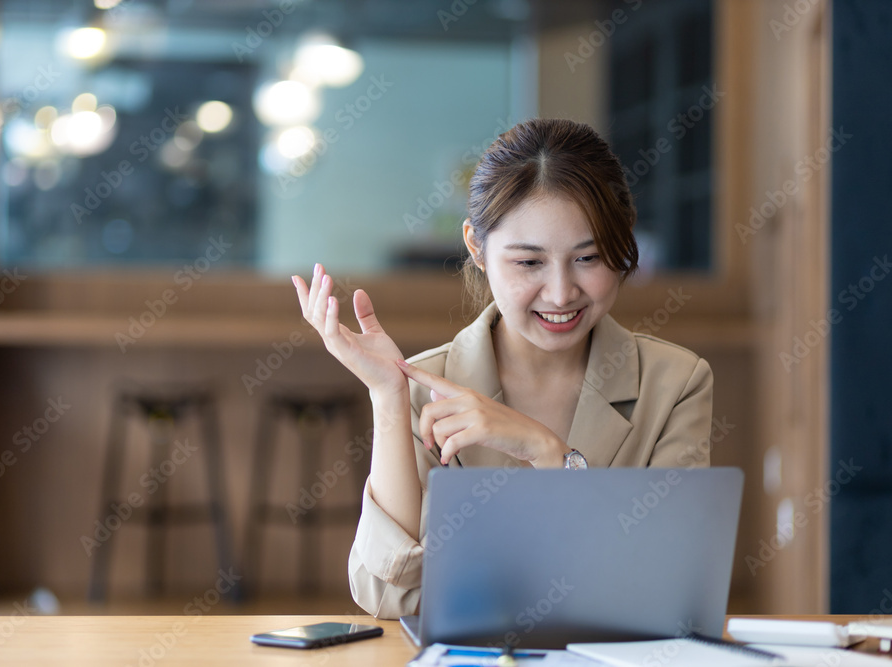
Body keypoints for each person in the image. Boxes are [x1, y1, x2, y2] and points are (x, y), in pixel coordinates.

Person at [291, 118, 713, 620]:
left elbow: (676, 586)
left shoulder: (675, 383)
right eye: (529, 263)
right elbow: (388, 597)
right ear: (476, 247)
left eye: (589, 257)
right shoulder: (423, 387)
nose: (560, 293)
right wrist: (388, 396)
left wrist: (546, 451)